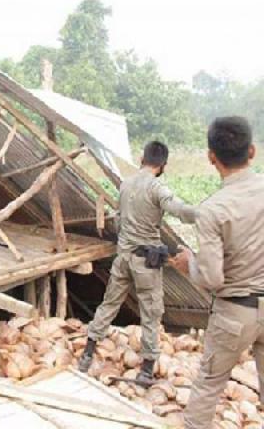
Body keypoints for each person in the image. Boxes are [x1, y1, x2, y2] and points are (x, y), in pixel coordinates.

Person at [169, 117, 264, 428]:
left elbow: (212, 278)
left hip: (236, 312)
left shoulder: (213, 209)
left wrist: (188, 265)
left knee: (209, 385)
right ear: (252, 151)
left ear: (211, 157)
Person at [78, 141, 198, 385]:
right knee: (151, 313)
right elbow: (178, 210)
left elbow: (118, 220)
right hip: (146, 262)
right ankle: (146, 370)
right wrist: (205, 213)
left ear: (143, 158)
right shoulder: (156, 187)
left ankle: (87, 354)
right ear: (163, 164)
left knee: (109, 304)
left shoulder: (126, 184)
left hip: (123, 258)